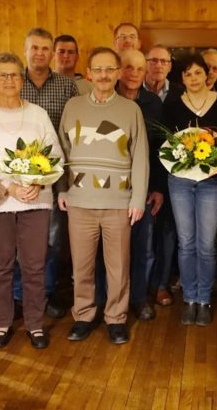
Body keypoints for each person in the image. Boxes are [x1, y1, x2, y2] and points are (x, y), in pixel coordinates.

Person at [0, 53, 62, 350]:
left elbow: (55, 155)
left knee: (34, 265)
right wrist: (8, 188)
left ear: (23, 79)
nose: (9, 80)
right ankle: (3, 323)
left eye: (15, 75)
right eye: (3, 75)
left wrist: (36, 182)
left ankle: (35, 324)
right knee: (1, 265)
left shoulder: (38, 114)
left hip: (35, 199)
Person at [58, 47, 149, 345]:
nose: (104, 75)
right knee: (81, 266)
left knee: (118, 267)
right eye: (98, 69)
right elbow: (61, 152)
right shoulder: (73, 107)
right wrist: (62, 189)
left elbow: (140, 157)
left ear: (119, 73)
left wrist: (137, 199)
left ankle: (116, 318)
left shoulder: (131, 110)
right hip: (79, 202)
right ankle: (83, 315)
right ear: (88, 73)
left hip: (118, 204)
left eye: (110, 69)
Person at [163, 54, 217, 326]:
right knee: (186, 242)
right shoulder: (172, 104)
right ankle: (189, 298)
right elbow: (165, 145)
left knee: (207, 244)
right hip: (180, 181)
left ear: (207, 74)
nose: (193, 78)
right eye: (187, 74)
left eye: (198, 72)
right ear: (181, 79)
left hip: (212, 182)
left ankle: (204, 299)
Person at [20, 27, 79, 319]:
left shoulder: (67, 86)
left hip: (57, 173)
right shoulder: (13, 81)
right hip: (20, 174)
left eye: (45, 48)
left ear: (51, 53)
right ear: (26, 50)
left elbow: (74, 131)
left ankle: (48, 292)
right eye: (35, 47)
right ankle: (21, 296)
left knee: (55, 238)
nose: (40, 53)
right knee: (23, 238)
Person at [117, 49, 165, 320]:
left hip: (144, 187)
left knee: (143, 247)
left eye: (138, 69)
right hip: (110, 188)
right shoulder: (107, 99)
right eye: (128, 67)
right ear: (118, 70)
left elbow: (158, 149)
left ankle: (138, 298)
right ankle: (111, 299)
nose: (133, 74)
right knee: (111, 250)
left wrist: (157, 187)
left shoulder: (153, 103)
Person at [144, 45, 180, 305]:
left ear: (170, 66)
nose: (158, 65)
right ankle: (140, 285)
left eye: (163, 61)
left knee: (167, 231)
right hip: (139, 171)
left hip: (170, 173)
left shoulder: (180, 94)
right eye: (153, 60)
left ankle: (161, 284)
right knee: (142, 233)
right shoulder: (131, 91)